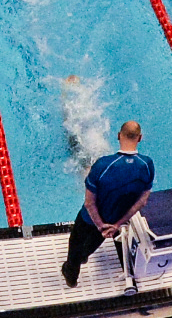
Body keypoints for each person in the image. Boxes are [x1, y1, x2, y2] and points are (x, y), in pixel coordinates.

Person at [61, 120, 153, 287]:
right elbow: (142, 201)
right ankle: (83, 257)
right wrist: (116, 225)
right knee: (93, 243)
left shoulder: (103, 164)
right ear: (140, 138)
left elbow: (89, 204)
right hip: (115, 219)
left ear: (118, 136)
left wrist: (100, 225)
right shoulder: (147, 164)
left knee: (75, 247)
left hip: (92, 219)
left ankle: (71, 278)